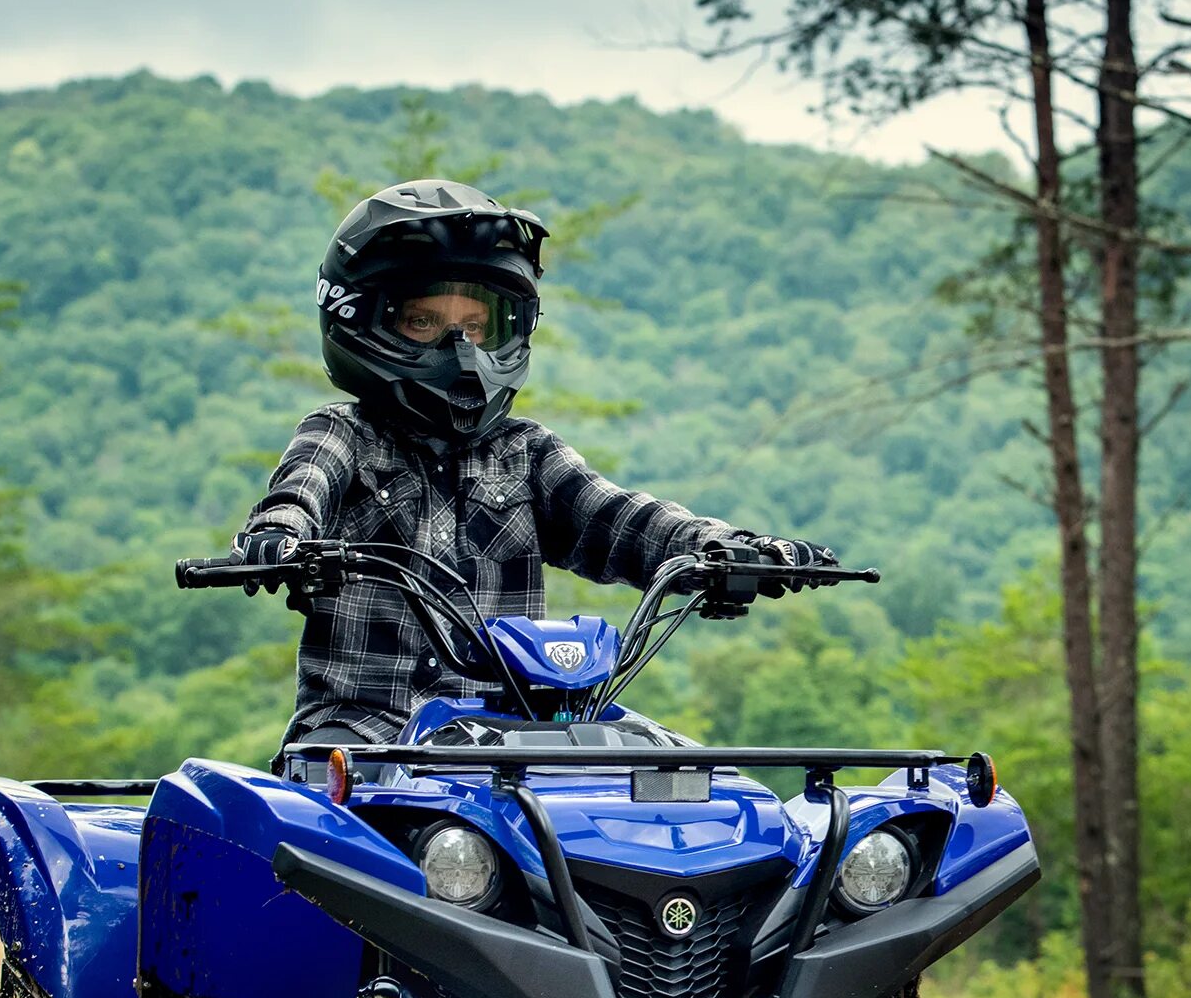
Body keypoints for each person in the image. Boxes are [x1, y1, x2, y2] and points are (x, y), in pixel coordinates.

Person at [237, 179, 835, 747]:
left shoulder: (528, 454)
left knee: (679, 776)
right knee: (320, 810)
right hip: (368, 726)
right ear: (358, 318)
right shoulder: (344, 434)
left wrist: (729, 547)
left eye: (477, 325)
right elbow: (301, 490)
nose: (460, 348)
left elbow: (621, 518)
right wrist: (279, 536)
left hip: (516, 731)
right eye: (424, 322)